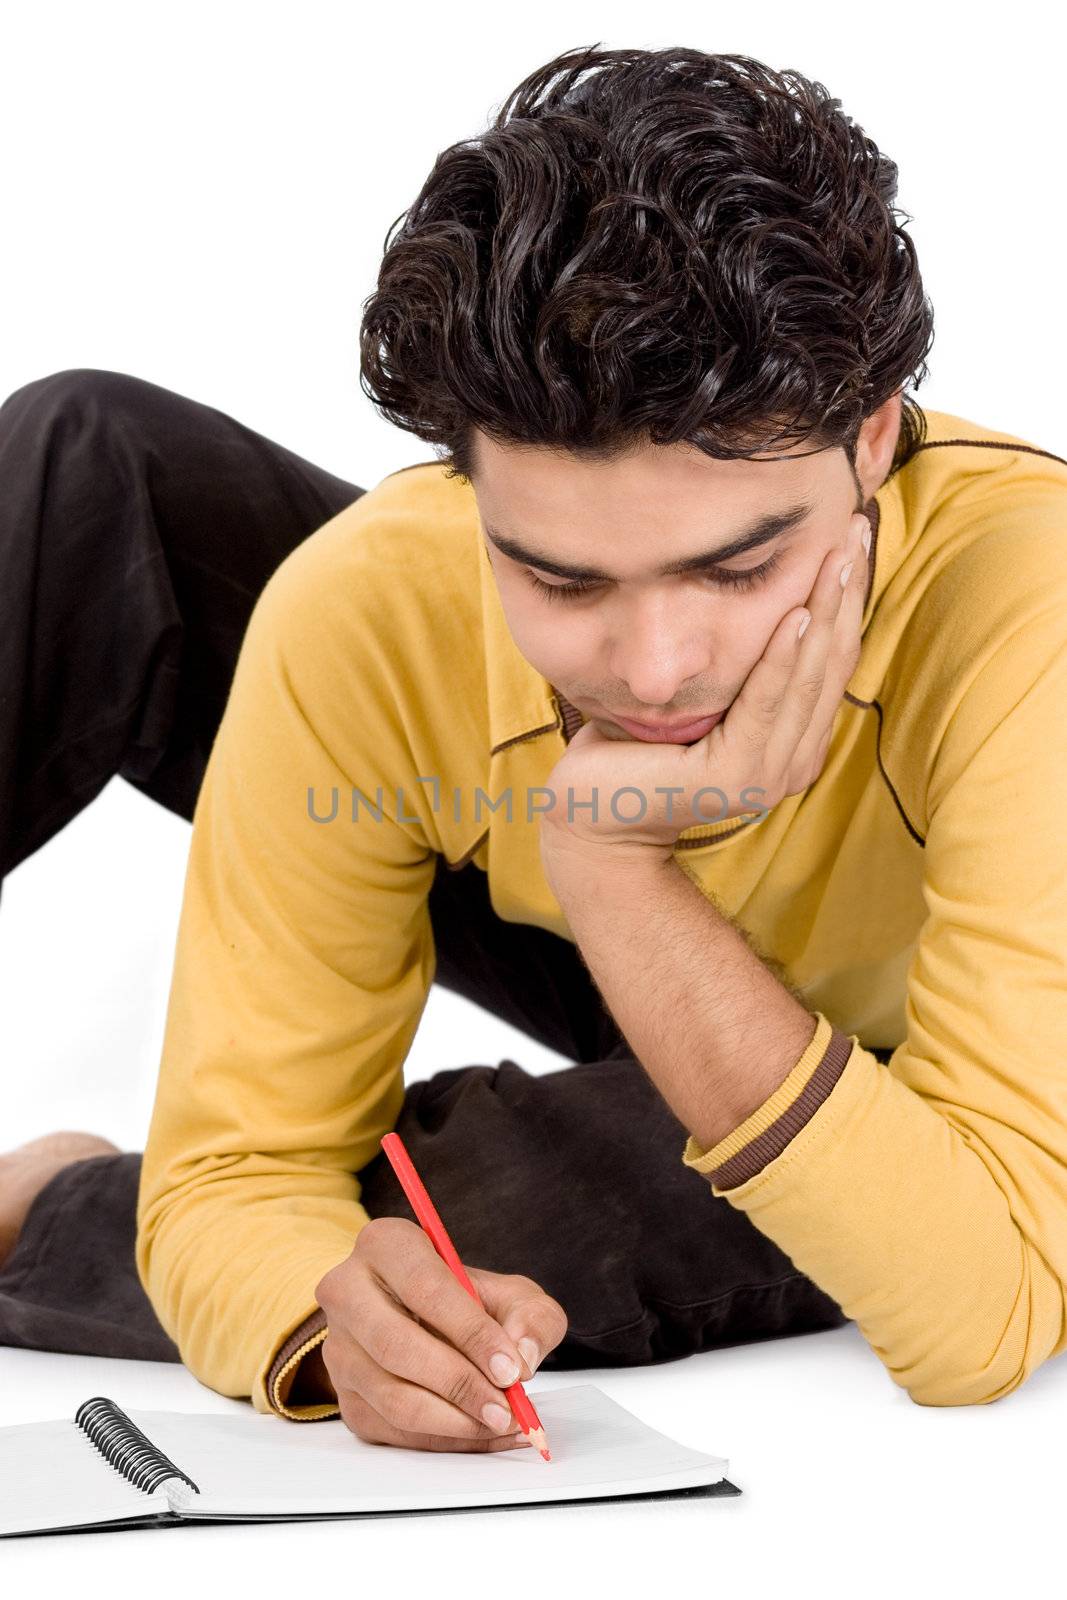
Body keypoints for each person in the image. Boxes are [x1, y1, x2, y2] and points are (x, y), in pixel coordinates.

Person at [2, 44, 1066, 1447]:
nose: (656, 668)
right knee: (88, 460)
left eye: (740, 570)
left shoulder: (1031, 610)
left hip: (904, 1061)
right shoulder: (377, 596)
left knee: (492, 1244)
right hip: (568, 907)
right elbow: (246, 1167)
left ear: (871, 442)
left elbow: (981, 1307)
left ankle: (52, 1201)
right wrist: (324, 1309)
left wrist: (613, 855)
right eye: (562, 582)